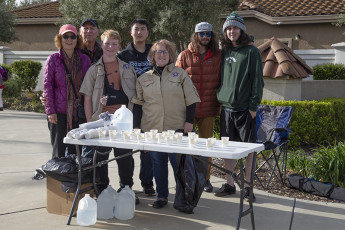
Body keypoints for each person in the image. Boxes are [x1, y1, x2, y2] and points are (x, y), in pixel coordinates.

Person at [131, 39, 200, 209]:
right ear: (152, 56)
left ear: (171, 55)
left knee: (179, 166)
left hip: (176, 128)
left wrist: (189, 122)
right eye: (158, 52)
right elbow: (138, 105)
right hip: (152, 130)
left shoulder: (180, 74)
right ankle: (162, 196)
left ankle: (183, 197)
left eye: (165, 52)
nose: (161, 55)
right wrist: (137, 127)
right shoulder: (143, 78)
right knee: (158, 164)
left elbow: (191, 100)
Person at [79, 30, 137, 197]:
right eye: (107, 43)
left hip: (123, 122)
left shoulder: (127, 68)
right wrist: (91, 120)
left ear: (119, 46)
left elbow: (134, 97)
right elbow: (87, 97)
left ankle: (126, 188)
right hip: (101, 121)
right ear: (102, 45)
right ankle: (102, 189)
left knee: (124, 157)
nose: (110, 47)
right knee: (100, 158)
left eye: (114, 43)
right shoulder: (93, 70)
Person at [215, 12, 264, 202]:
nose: (231, 31)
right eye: (228, 28)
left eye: (234, 27)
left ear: (241, 30)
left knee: (248, 150)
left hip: (245, 110)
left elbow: (257, 81)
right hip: (226, 109)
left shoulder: (252, 52)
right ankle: (229, 184)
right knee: (229, 149)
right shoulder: (225, 51)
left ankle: (248, 188)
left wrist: (253, 106)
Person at [175, 22, 221, 193]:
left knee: (205, 146)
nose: (205, 37)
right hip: (189, 110)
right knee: (185, 146)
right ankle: (187, 177)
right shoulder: (184, 55)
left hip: (209, 108)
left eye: (208, 34)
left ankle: (205, 179)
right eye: (201, 34)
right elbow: (176, 80)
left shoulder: (218, 55)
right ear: (196, 35)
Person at [117, 18, 155, 196]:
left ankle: (147, 183)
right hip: (130, 108)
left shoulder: (154, 52)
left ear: (147, 32)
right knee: (126, 149)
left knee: (148, 148)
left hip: (150, 107)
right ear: (131, 32)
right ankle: (126, 184)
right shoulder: (123, 55)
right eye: (136, 29)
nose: (139, 32)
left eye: (142, 29)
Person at [43, 24, 91, 159]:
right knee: (58, 151)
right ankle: (58, 179)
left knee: (76, 152)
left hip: (78, 113)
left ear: (77, 39)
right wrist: (50, 111)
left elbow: (89, 86)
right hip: (58, 113)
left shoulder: (84, 60)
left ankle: (74, 180)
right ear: (60, 38)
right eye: (66, 36)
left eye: (72, 36)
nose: (69, 39)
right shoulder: (53, 59)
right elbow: (47, 86)